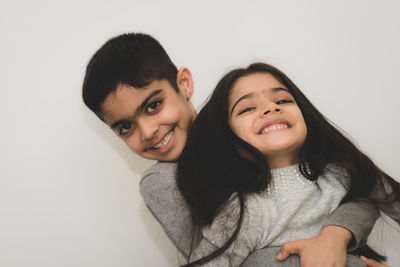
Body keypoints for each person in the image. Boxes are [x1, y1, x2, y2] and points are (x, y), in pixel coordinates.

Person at [82, 33, 385, 266]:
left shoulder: (252, 131)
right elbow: (228, 257)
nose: (147, 132)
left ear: (184, 84)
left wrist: (335, 235)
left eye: (153, 105)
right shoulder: (161, 181)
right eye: (125, 127)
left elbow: (359, 190)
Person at [175, 62, 400, 266]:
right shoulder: (243, 211)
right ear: (227, 137)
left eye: (282, 100)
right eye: (247, 108)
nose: (271, 109)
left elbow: (382, 201)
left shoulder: (341, 171)